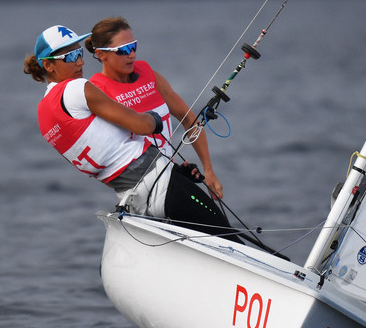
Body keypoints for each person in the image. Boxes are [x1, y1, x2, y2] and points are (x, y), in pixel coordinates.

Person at [23, 25, 241, 242]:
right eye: (70, 56)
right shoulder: (77, 88)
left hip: (134, 199)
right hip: (162, 185)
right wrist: (153, 119)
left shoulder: (43, 114)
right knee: (231, 240)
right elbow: (141, 126)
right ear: (48, 65)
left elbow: (107, 151)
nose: (80, 61)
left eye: (79, 53)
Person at [83, 17, 224, 200]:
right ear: (101, 54)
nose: (132, 54)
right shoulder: (96, 92)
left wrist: (208, 171)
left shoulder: (147, 73)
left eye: (133, 46)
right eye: (124, 50)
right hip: (139, 191)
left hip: (170, 179)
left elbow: (187, 118)